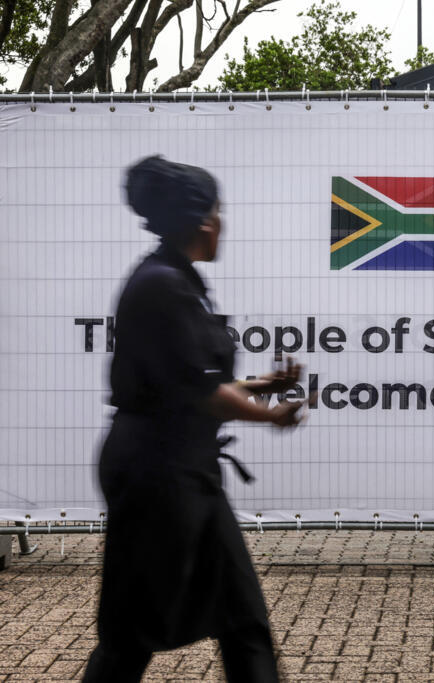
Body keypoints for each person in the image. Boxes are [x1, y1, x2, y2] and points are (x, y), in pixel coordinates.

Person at [83, 156, 304, 682]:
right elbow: (198, 393)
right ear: (204, 220)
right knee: (129, 635)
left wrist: (259, 387)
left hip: (187, 469)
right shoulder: (162, 285)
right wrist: (267, 416)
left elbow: (185, 381)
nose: (224, 222)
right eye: (220, 212)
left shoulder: (178, 280)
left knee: (242, 619)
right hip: (156, 475)